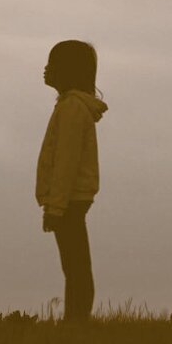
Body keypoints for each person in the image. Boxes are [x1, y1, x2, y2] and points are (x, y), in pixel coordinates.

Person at [35, 40, 108, 323]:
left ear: (67, 71)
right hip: (71, 199)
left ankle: (76, 320)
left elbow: (66, 161)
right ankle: (76, 319)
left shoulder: (72, 109)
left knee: (75, 265)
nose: (46, 69)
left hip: (69, 200)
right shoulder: (70, 106)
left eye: (52, 64)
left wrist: (55, 207)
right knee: (75, 264)